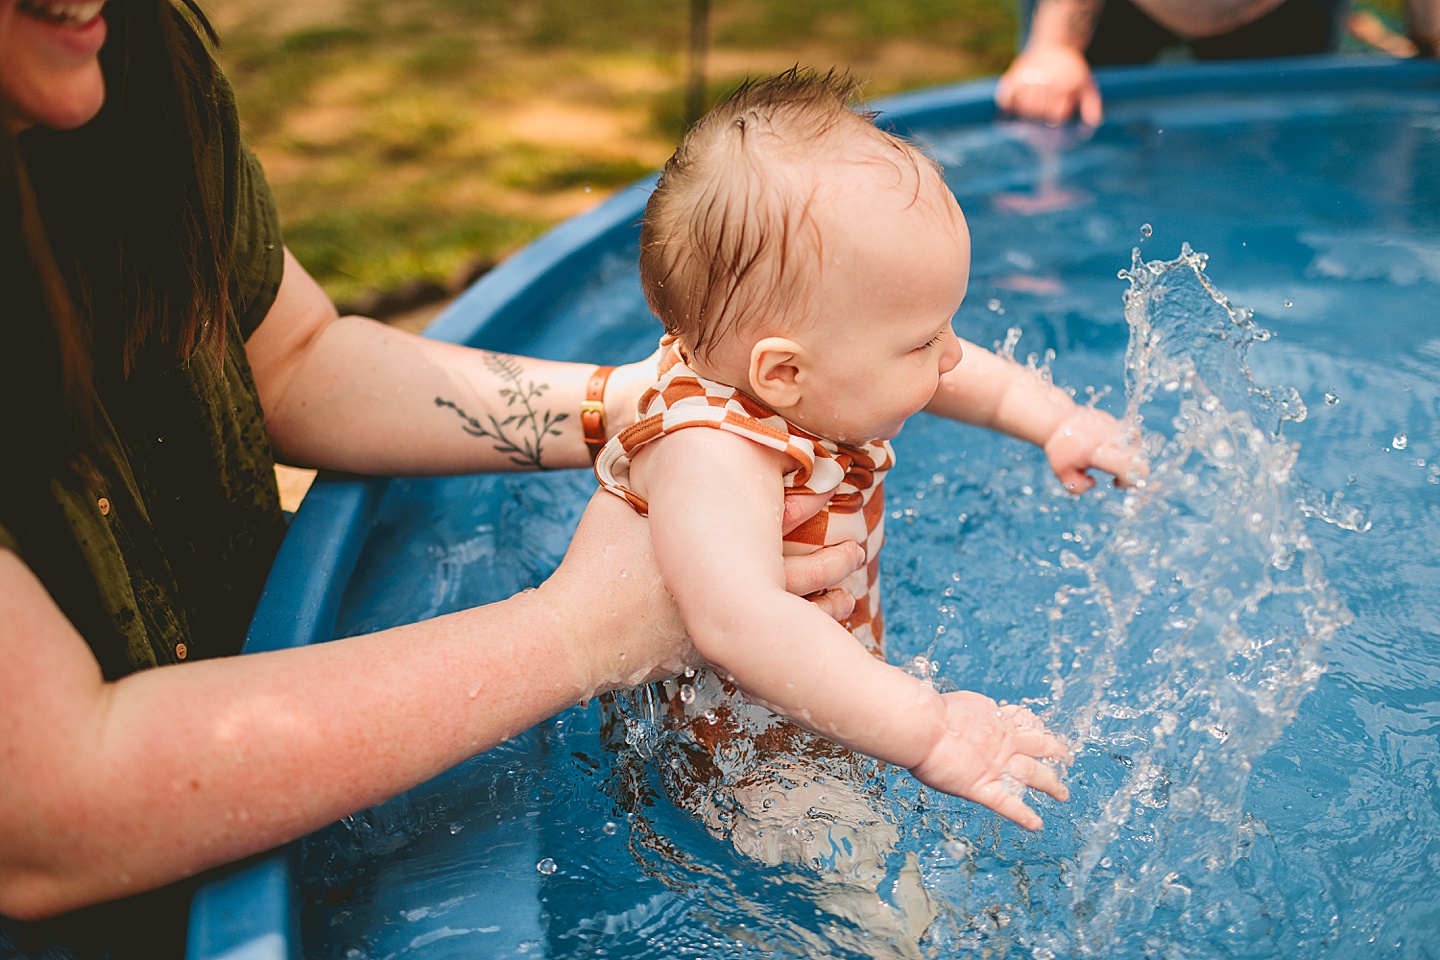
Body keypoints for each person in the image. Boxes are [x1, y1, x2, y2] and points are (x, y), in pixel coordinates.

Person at [0, 3, 865, 958]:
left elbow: (293, 357)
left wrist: (638, 403)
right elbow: (48, 813)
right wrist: (586, 629)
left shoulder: (136, 64)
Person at [593, 68, 1143, 847]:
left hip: (827, 701)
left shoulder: (802, 385)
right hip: (744, 764)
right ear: (783, 372)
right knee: (873, 900)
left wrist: (1054, 419)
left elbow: (961, 375)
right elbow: (738, 622)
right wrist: (924, 727)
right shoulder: (712, 455)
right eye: (924, 340)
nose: (951, 354)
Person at [996, 0, 1440, 126]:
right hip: (1115, 9)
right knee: (1063, 138)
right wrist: (1056, 44)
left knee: (1279, 162)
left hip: (1278, 12)